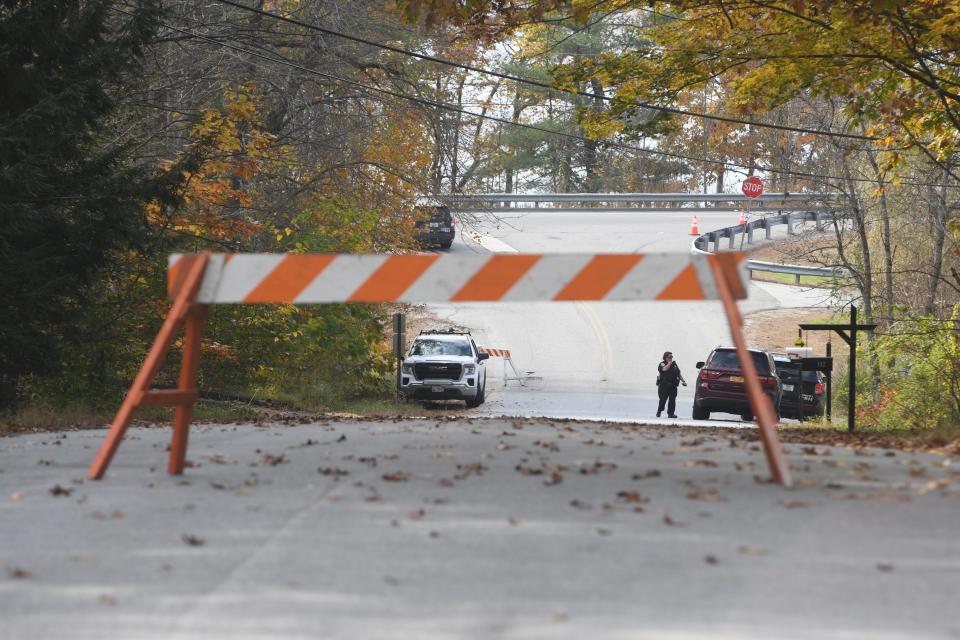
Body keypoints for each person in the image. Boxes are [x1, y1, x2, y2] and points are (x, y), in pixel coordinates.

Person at [656, 351, 687, 418]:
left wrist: (683, 381)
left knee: (672, 400)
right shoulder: (662, 364)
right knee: (662, 400)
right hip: (664, 386)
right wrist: (669, 364)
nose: (671, 358)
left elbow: (678, 373)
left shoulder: (674, 365)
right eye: (669, 357)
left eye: (671, 357)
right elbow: (664, 369)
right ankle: (659, 411)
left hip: (673, 386)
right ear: (665, 357)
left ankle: (671, 413)